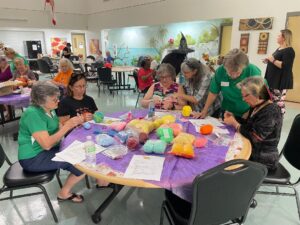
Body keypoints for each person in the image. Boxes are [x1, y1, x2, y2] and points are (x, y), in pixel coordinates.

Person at [18, 81, 86, 203]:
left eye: (58, 98)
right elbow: (47, 145)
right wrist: (67, 126)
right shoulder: (33, 114)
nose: (58, 102)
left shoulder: (50, 109)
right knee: (81, 165)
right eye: (54, 100)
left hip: (45, 150)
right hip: (33, 158)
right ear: (41, 101)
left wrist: (72, 123)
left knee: (82, 151)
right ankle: (63, 194)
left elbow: (57, 127)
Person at [223, 77, 282, 171]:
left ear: (258, 94)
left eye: (246, 96)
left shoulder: (271, 111)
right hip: (254, 151)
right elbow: (249, 125)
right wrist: (234, 118)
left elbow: (255, 137)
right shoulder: (257, 106)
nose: (243, 99)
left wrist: (235, 123)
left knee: (226, 163)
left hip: (263, 159)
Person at [194, 48, 261, 119]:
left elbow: (261, 96)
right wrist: (204, 110)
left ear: (244, 67)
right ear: (225, 67)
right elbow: (213, 92)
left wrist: (250, 112)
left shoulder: (253, 71)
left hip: (246, 112)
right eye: (230, 72)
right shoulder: (220, 71)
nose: (233, 76)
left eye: (237, 73)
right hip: (227, 112)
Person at [264, 29, 295, 114]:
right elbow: (276, 61)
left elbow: (285, 66)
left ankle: (279, 119)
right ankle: (273, 119)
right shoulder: (279, 48)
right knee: (272, 101)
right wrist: (269, 60)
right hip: (273, 80)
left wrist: (273, 60)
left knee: (278, 102)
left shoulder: (289, 51)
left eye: (279, 35)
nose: (277, 37)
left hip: (280, 82)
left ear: (284, 38)